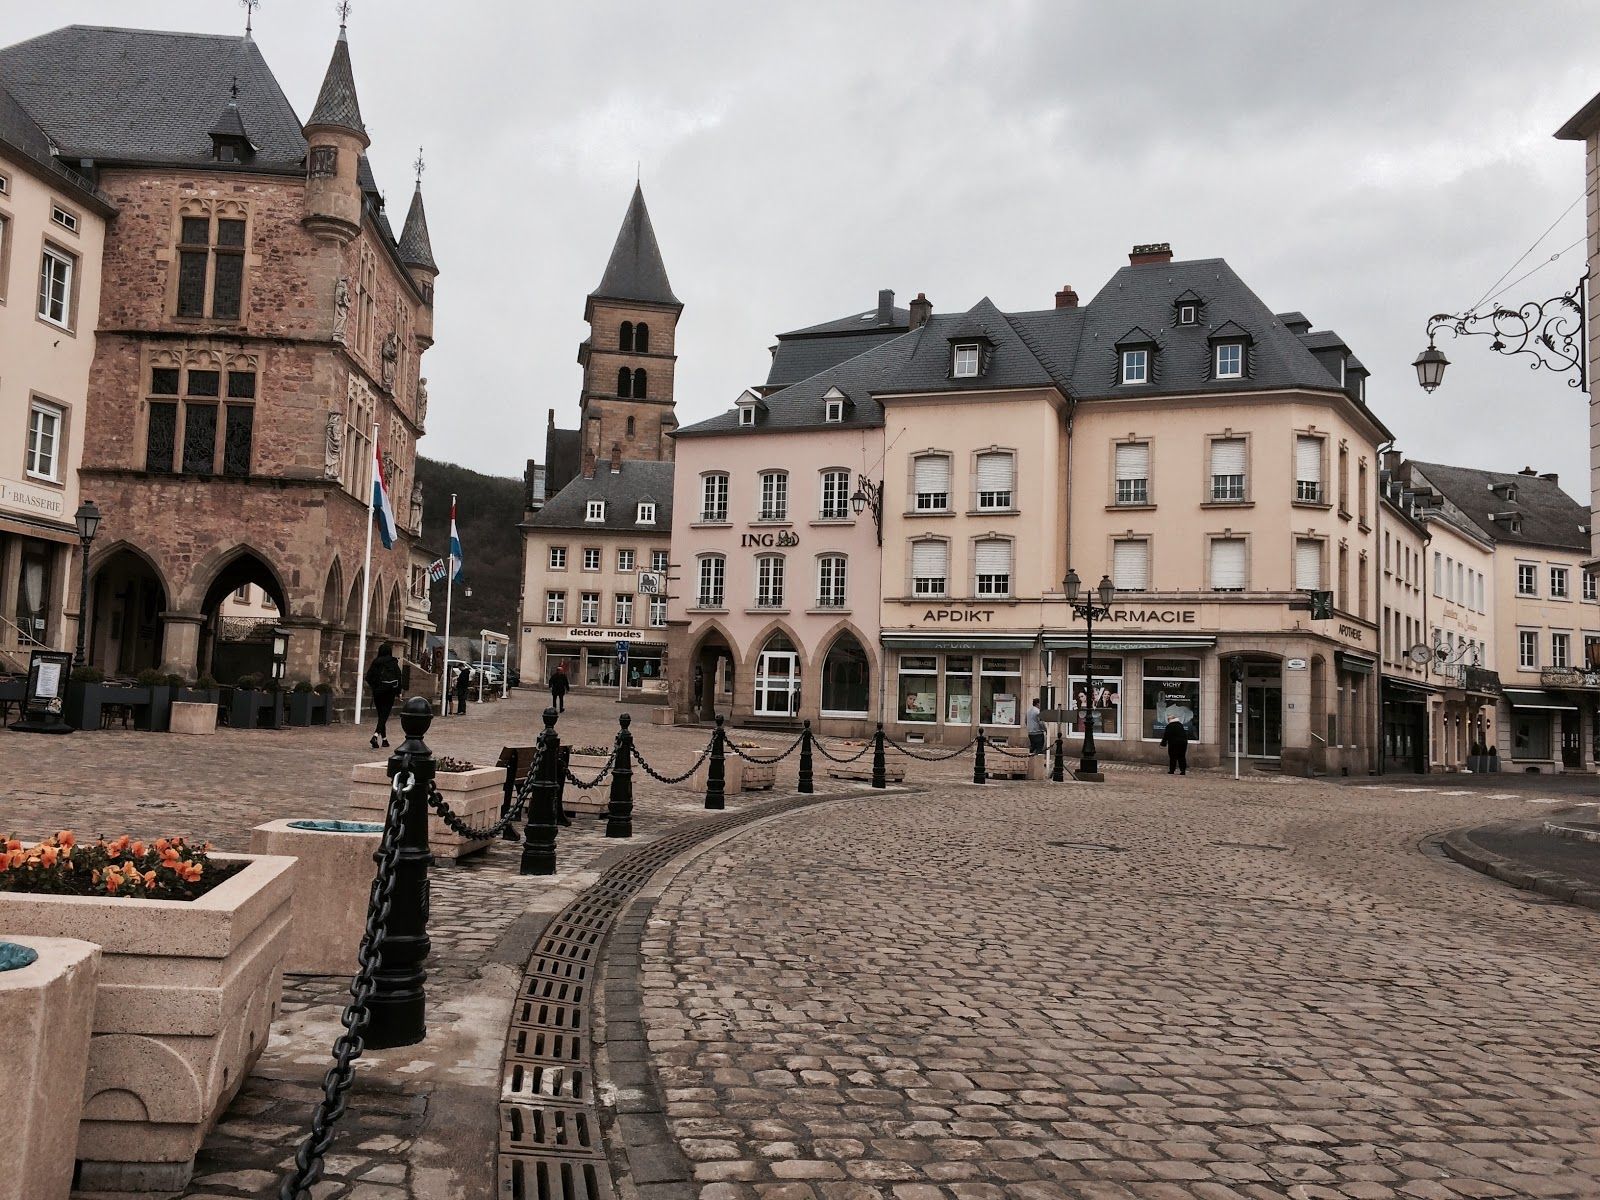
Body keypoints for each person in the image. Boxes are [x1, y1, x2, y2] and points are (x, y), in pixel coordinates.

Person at [364, 641, 403, 750]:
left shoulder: (376, 662)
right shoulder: (393, 662)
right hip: (390, 691)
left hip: (378, 691)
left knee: (381, 715)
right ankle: (375, 735)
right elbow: (398, 677)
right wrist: (399, 692)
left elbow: (368, 677)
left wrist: (375, 686)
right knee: (384, 715)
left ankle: (384, 740)